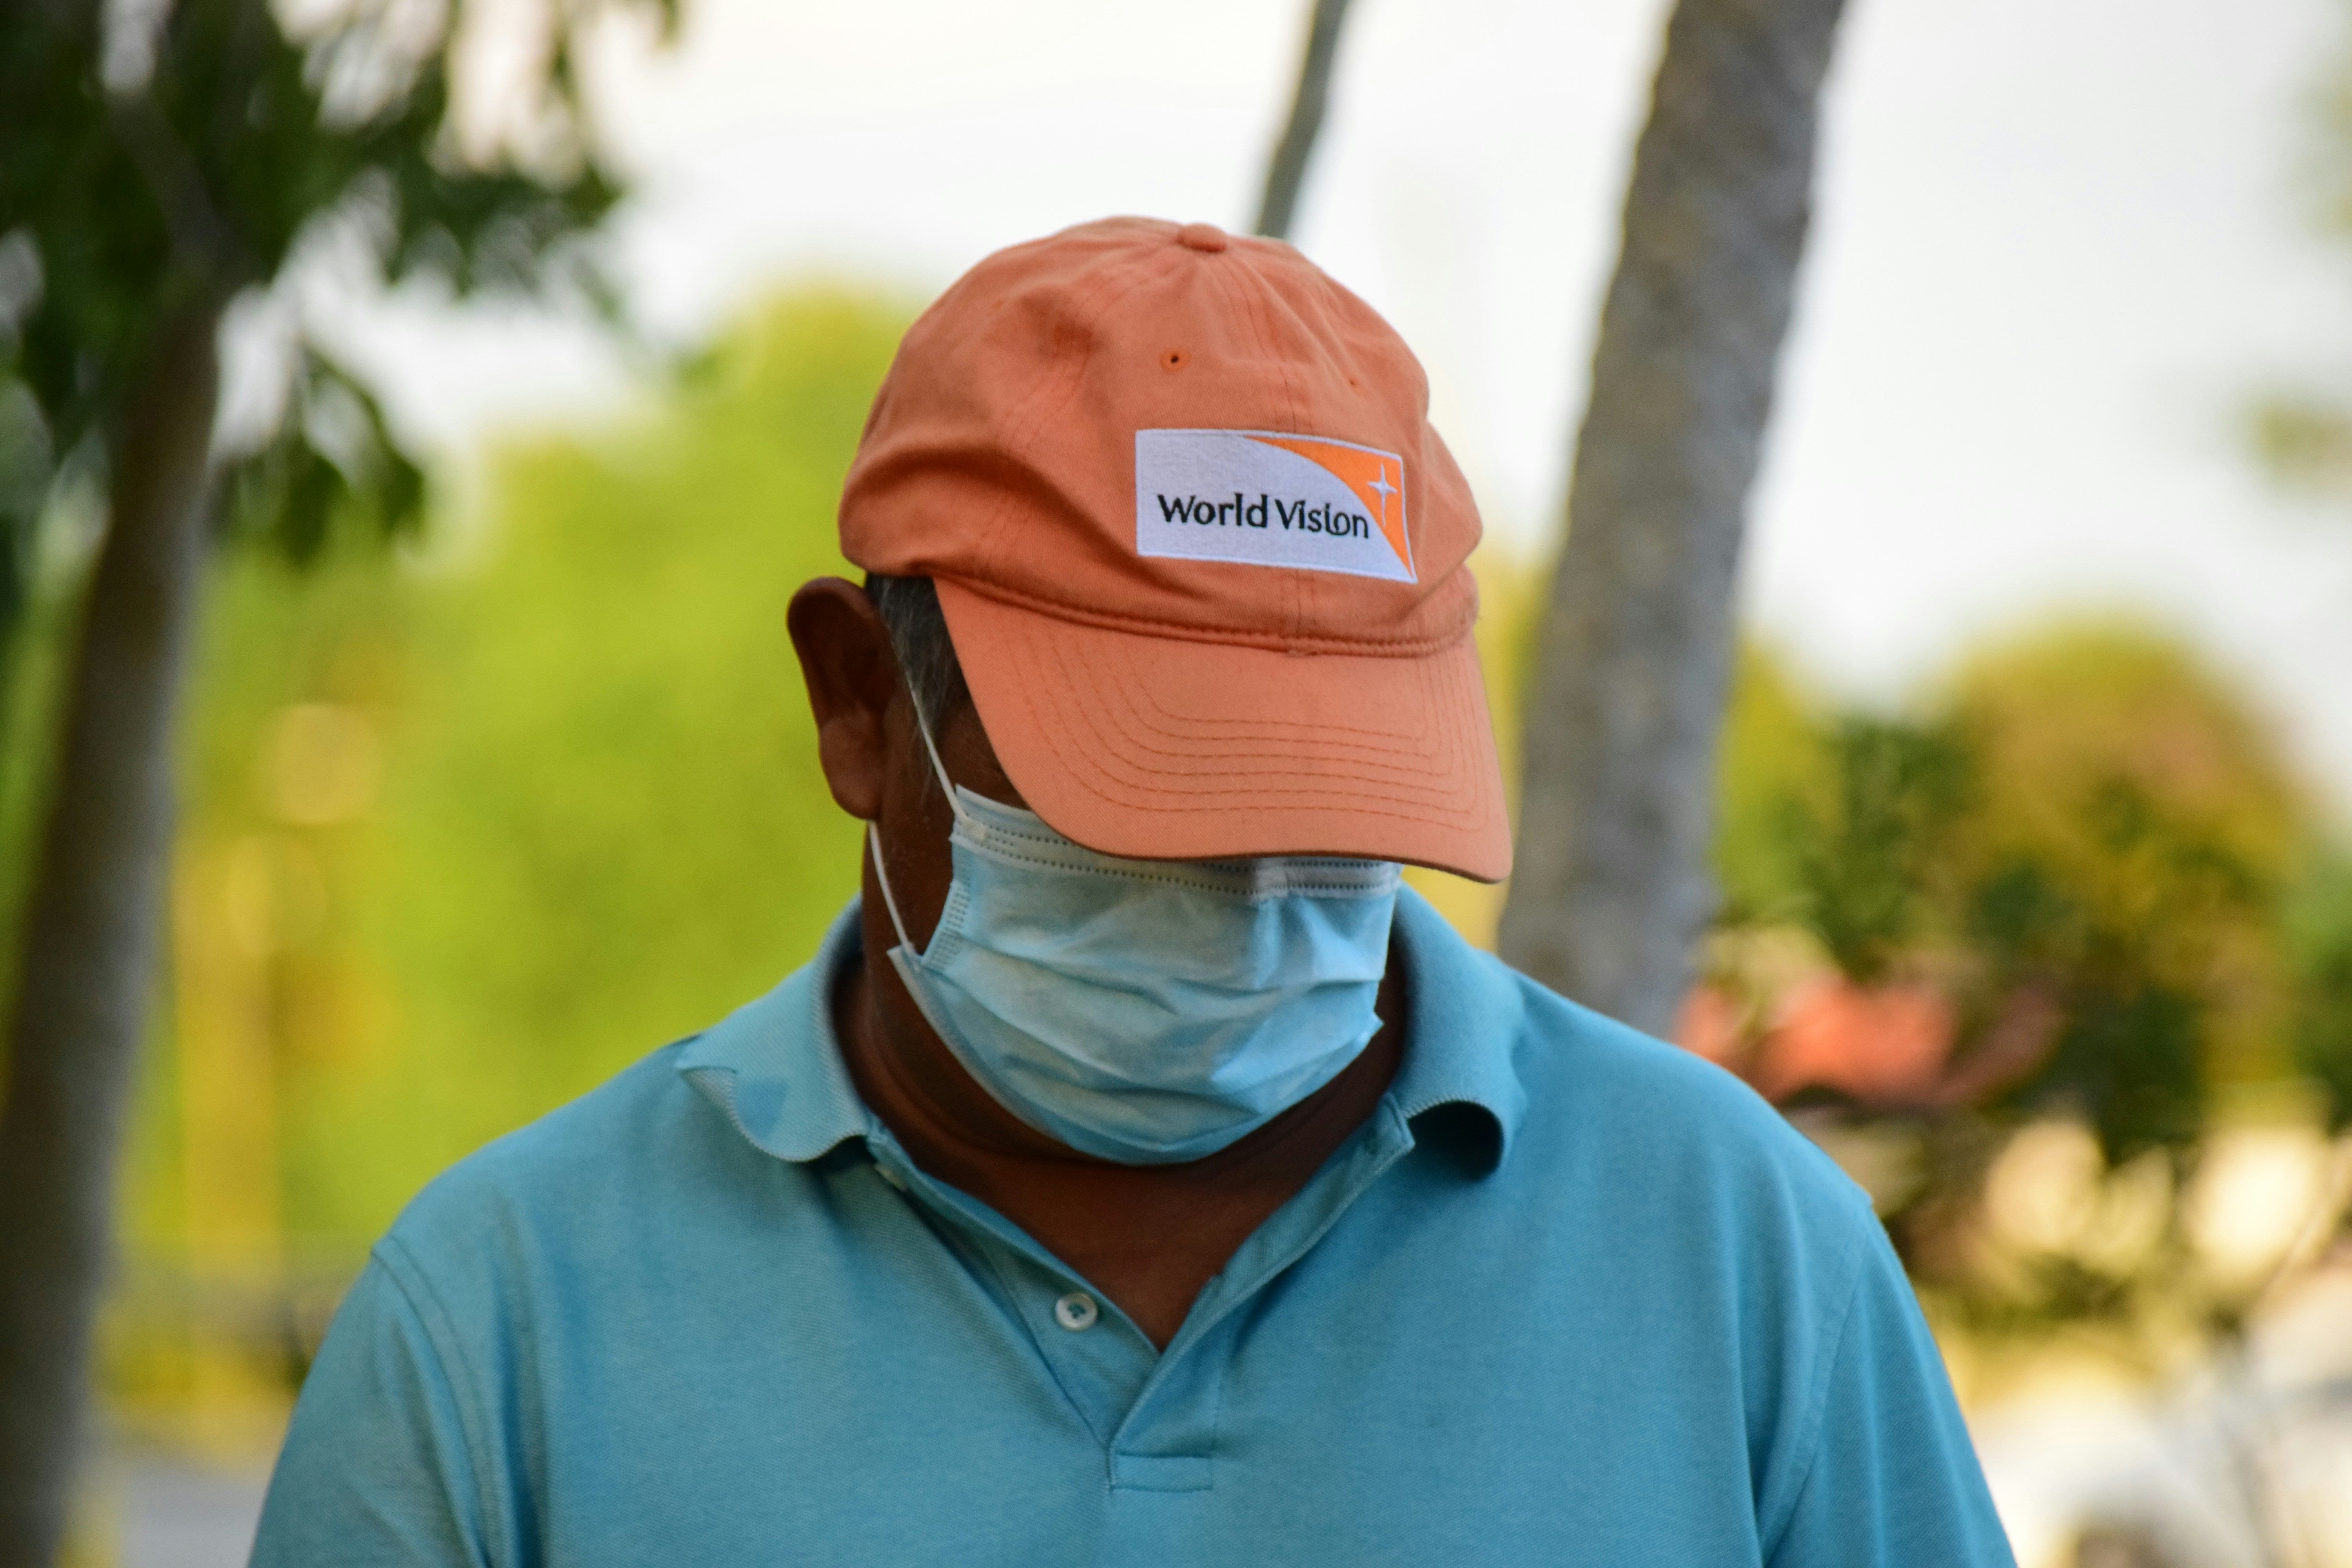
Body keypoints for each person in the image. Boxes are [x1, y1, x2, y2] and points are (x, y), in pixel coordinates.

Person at [250, 216, 2014, 1566]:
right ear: (860, 706)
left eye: (1332, 801)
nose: (1253, 894)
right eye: (1152, 789)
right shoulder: (504, 1336)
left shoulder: (1745, 1265)